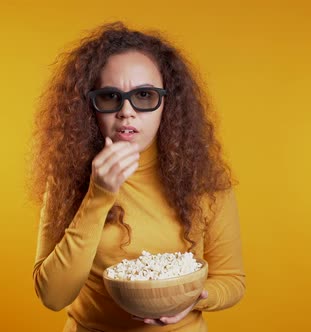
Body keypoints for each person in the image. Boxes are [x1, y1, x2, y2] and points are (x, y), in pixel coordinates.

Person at [30, 21, 245, 331]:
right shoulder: (69, 178)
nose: (127, 111)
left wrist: (195, 297)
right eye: (110, 97)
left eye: (144, 95)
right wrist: (98, 195)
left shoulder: (203, 179)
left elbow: (232, 279)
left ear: (167, 104)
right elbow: (53, 295)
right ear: (91, 107)